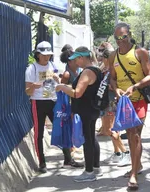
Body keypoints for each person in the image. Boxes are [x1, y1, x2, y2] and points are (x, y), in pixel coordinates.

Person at [109, 22, 150, 190]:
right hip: (123, 102)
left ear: (129, 35)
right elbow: (112, 78)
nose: (120, 40)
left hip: (139, 99)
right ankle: (138, 165)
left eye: (123, 36)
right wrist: (117, 90)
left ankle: (134, 174)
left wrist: (135, 87)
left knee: (135, 135)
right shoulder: (113, 56)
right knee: (130, 134)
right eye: (117, 38)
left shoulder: (140, 52)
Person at [25, 41, 77, 173]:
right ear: (37, 54)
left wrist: (57, 79)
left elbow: (58, 83)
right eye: (43, 55)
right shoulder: (32, 69)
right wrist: (33, 86)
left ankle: (68, 158)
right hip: (38, 102)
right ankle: (42, 162)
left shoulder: (52, 65)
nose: (46, 57)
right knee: (39, 133)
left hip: (53, 101)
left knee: (62, 127)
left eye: (48, 54)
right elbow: (27, 91)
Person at [56, 46, 102, 182]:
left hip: (85, 110)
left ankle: (89, 172)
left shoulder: (87, 72)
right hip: (92, 109)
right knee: (91, 138)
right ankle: (95, 167)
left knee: (87, 140)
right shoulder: (96, 69)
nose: (75, 62)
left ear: (82, 58)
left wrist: (62, 87)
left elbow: (77, 93)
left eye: (76, 59)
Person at [97, 42, 131, 167]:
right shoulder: (104, 69)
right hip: (106, 102)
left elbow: (115, 85)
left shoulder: (112, 71)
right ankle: (117, 153)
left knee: (111, 130)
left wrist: (111, 87)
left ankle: (125, 153)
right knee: (107, 129)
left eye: (102, 56)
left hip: (111, 102)